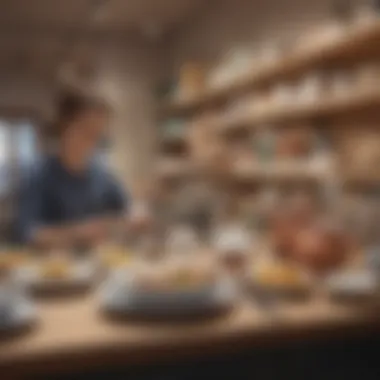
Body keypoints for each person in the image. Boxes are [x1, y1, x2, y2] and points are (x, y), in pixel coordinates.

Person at [16, 90, 147, 249]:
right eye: (86, 131)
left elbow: (127, 210)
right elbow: (27, 233)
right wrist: (77, 232)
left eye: (97, 135)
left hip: (97, 265)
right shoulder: (39, 176)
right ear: (64, 128)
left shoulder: (101, 176)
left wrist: (137, 215)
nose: (92, 141)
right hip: (51, 268)